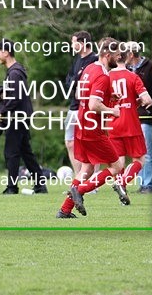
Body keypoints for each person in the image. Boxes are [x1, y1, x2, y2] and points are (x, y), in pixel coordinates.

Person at [56, 37, 121, 218]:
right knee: (117, 166)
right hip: (93, 129)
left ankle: (65, 210)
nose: (119, 57)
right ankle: (80, 190)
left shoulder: (89, 68)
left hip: (82, 124)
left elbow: (79, 94)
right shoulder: (102, 76)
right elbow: (93, 105)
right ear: (107, 54)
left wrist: (108, 96)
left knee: (87, 169)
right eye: (117, 55)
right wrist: (112, 110)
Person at [0, 38, 47, 195]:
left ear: (6, 53)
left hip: (17, 117)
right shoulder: (14, 72)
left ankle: (12, 187)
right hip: (20, 116)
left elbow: (15, 97)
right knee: (25, 152)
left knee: (11, 152)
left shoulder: (15, 72)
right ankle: (40, 185)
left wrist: (2, 111)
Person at [108, 47, 152, 205]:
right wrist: (138, 101)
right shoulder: (132, 76)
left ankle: (123, 195)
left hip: (112, 124)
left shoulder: (107, 76)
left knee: (118, 163)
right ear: (127, 57)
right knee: (140, 160)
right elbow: (147, 100)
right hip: (130, 124)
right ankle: (122, 183)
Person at [126, 41, 152, 194]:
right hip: (131, 116)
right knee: (137, 151)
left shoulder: (150, 67)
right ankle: (142, 183)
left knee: (147, 150)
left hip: (146, 115)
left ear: (131, 54)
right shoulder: (126, 69)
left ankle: (150, 184)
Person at [63, 31, 98, 176]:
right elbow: (69, 80)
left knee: (91, 143)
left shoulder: (95, 60)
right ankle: (79, 180)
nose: (72, 45)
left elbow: (90, 83)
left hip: (88, 107)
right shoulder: (77, 59)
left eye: (74, 42)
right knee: (70, 142)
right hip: (74, 106)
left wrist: (76, 83)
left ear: (82, 43)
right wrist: (74, 83)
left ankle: (93, 180)